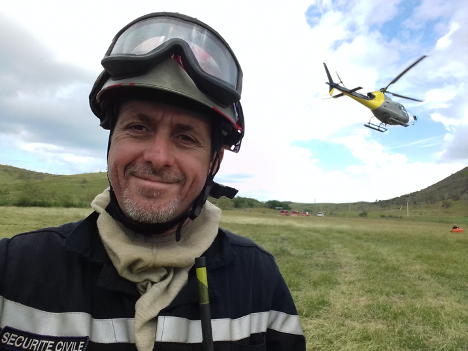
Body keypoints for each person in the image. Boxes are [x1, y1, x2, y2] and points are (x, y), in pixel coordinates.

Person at [0, 12, 306, 350]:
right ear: (111, 140)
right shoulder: (13, 269)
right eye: (138, 127)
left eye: (186, 137)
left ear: (214, 162)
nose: (158, 156)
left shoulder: (258, 280)